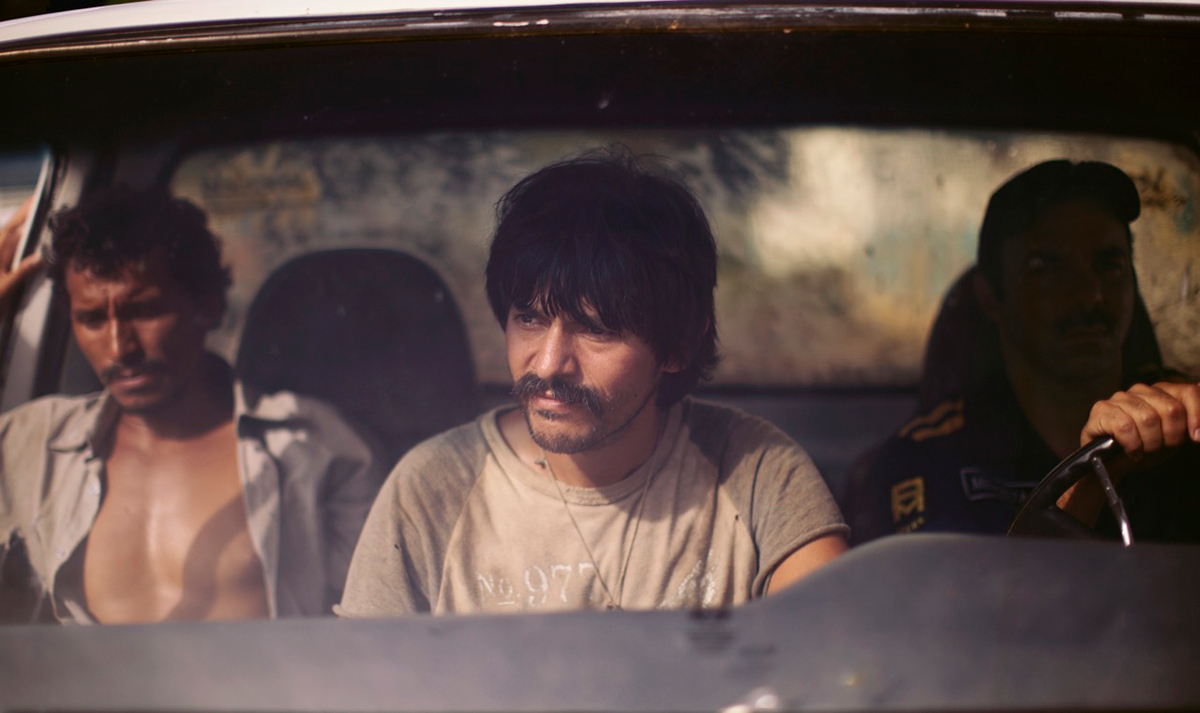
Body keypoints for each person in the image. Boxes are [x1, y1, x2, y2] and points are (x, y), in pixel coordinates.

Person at [337, 150, 848, 616]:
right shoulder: (433, 487)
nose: (549, 364)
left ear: (678, 345)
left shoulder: (754, 471)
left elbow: (837, 651)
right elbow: (366, 675)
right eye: (530, 319)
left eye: (597, 330)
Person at [0, 186, 382, 624]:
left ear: (207, 305)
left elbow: (373, 629)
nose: (119, 348)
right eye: (92, 319)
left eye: (146, 311)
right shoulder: (32, 443)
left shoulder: (317, 449)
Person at [847, 159, 1199, 542]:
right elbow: (977, 585)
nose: (1090, 295)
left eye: (1109, 265)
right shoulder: (930, 456)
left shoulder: (1183, 419)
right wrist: (1094, 476)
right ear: (991, 298)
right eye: (1048, 268)